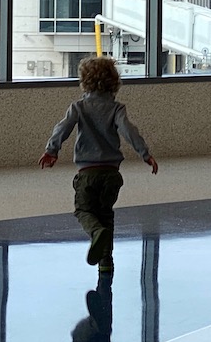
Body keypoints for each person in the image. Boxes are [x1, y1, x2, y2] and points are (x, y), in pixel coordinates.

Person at [39, 56, 158, 274]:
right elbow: (129, 131)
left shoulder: (79, 107)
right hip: (112, 174)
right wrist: (145, 154)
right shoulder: (117, 109)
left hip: (87, 172)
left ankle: (95, 233)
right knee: (106, 215)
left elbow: (62, 128)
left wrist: (51, 150)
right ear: (114, 81)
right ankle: (106, 262)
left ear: (85, 81)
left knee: (83, 210)